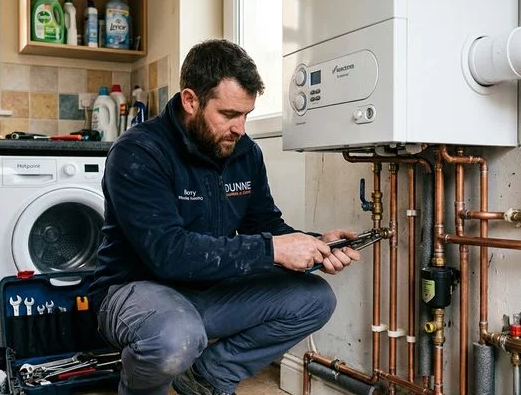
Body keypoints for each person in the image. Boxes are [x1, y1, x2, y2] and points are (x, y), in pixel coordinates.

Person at [88, 39, 361, 395]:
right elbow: (168, 253)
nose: (240, 128)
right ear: (190, 101)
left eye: (246, 114)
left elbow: (264, 225)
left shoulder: (244, 152)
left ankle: (208, 377)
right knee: (176, 337)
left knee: (315, 299)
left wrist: (314, 243)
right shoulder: (139, 152)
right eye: (229, 115)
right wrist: (273, 251)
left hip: (209, 289)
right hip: (137, 290)